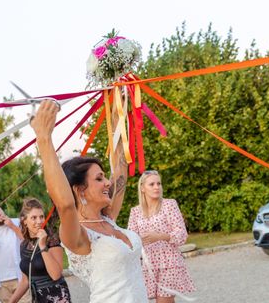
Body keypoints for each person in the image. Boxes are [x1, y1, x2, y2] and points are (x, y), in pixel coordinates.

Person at [31, 99, 147, 302]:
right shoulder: (78, 235)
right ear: (80, 191)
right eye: (99, 179)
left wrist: (117, 103)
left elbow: (120, 164)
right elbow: (65, 205)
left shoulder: (108, 217)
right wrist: (44, 138)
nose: (108, 183)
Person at [127, 170, 195, 303]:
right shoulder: (135, 212)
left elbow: (181, 234)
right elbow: (131, 239)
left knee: (163, 301)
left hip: (169, 262)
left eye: (159, 183)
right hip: (146, 264)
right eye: (151, 184)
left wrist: (159, 237)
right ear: (142, 188)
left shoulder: (169, 205)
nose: (156, 187)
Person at [8, 198, 71, 303]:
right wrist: (12, 301)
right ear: (24, 221)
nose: (39, 221)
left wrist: (42, 246)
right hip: (38, 298)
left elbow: (56, 274)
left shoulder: (51, 240)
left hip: (57, 296)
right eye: (34, 218)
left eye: (41, 217)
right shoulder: (24, 245)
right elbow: (25, 280)